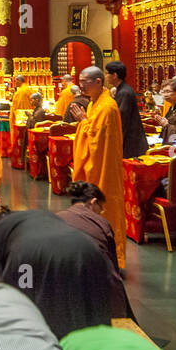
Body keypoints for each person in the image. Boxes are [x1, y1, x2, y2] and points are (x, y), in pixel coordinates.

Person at [0, 208, 129, 333]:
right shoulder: (45, 216)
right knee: (86, 309)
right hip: (86, 248)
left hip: (28, 256)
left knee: (22, 299)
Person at [71, 65, 127, 268]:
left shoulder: (107, 107)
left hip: (104, 168)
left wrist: (83, 122)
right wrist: (85, 121)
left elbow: (97, 140)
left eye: (85, 81)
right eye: (80, 81)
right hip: (94, 167)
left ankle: (110, 259)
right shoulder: (95, 103)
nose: (81, 85)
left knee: (105, 209)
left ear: (98, 82)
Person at [56, 181, 118, 272]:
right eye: (101, 208)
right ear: (93, 202)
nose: (100, 213)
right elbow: (112, 267)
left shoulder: (56, 218)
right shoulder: (102, 224)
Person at [106, 61, 149, 159]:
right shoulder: (122, 90)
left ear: (115, 75)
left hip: (130, 142)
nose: (106, 75)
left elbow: (121, 119)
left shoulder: (124, 92)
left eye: (108, 73)